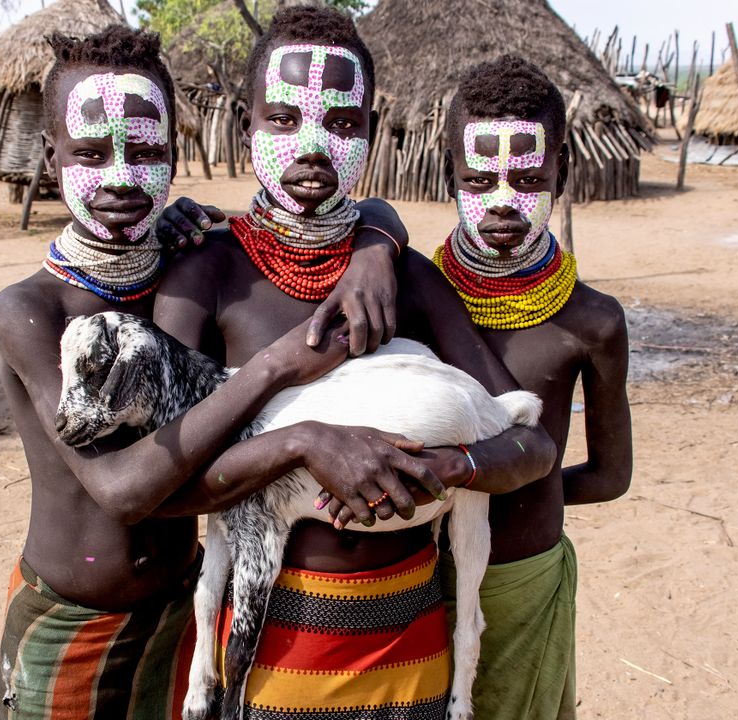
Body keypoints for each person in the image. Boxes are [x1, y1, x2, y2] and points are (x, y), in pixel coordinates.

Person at [0, 24, 428, 720]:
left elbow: (363, 208)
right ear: (50, 155)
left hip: (184, 607)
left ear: (173, 154)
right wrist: (279, 373)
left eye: (147, 153)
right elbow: (124, 491)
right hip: (72, 617)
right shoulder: (30, 310)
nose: (121, 178)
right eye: (91, 154)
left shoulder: (178, 266)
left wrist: (376, 242)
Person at [152, 9, 556, 718]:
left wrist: (453, 467)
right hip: (265, 649)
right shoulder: (207, 276)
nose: (311, 147)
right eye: (283, 120)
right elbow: (162, 481)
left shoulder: (409, 280)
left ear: (371, 131)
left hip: (412, 647)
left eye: (340, 126)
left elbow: (530, 442)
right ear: (245, 125)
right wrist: (305, 446)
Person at [429, 55, 633, 719]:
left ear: (562, 174)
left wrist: (519, 484)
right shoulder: (410, 295)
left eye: (528, 178)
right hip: (414, 583)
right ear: (448, 176)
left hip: (526, 585)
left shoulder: (592, 321)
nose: (502, 202)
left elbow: (610, 476)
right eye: (478, 179)